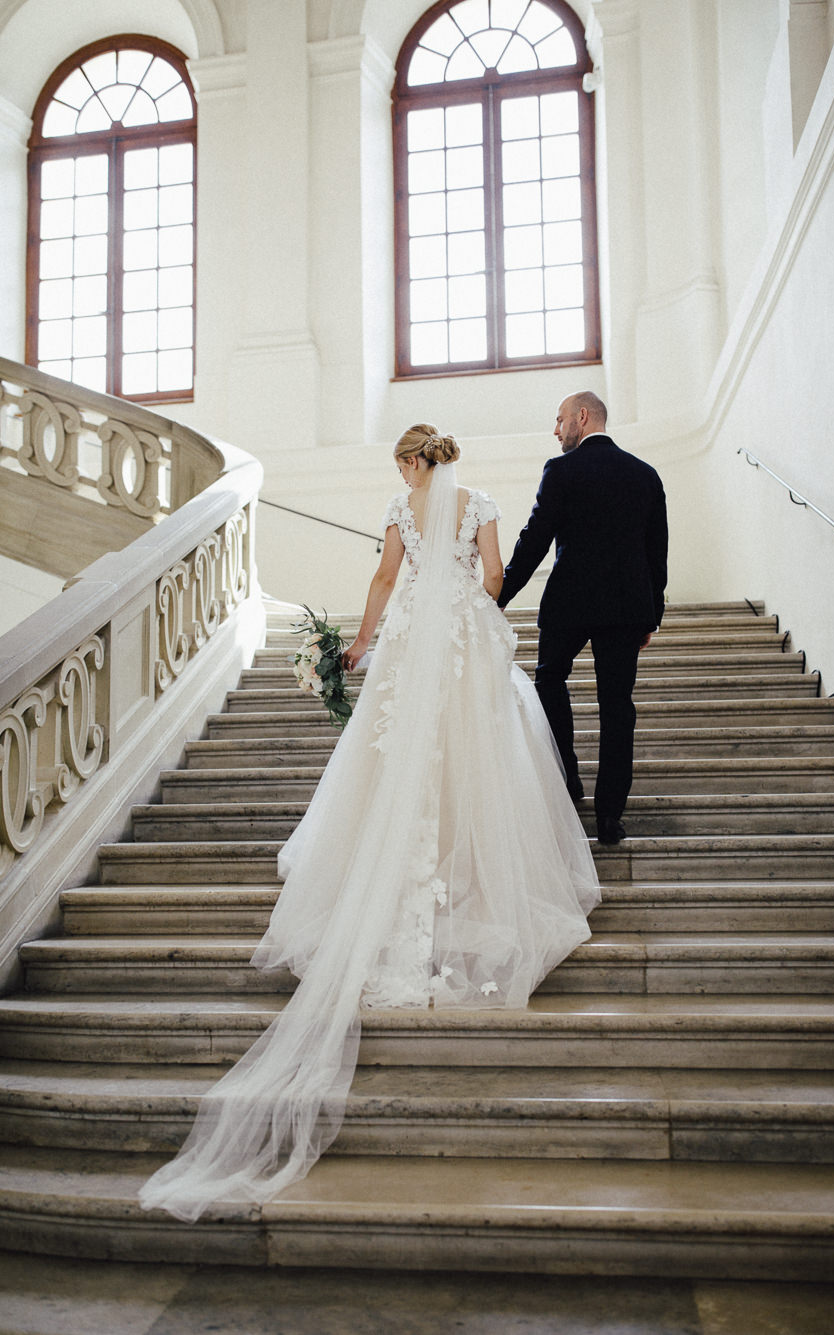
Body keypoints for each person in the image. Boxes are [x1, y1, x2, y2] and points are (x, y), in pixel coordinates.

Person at [138, 424, 599, 1222]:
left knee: (394, 766)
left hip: (411, 643)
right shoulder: (482, 501)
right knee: (475, 760)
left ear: (412, 465)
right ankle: (474, 876)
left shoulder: (398, 506)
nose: (405, 474)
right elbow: (494, 578)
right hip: (460, 642)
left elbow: (387, 577)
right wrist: (465, 596)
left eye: (403, 464)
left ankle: (392, 880)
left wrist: (358, 642)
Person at [498, 392, 668, 846]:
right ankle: (610, 816)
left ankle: (568, 782)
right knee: (618, 709)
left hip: (569, 604)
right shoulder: (645, 475)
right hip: (626, 609)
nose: (556, 430)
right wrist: (650, 615)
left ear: (583, 417)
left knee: (549, 681)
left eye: (559, 420)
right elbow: (657, 553)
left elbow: (534, 539)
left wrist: (498, 595)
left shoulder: (561, 470)